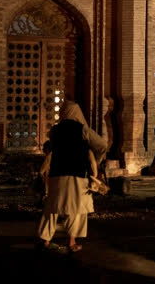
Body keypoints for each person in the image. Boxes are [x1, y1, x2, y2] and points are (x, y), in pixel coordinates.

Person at [37, 100, 107, 252]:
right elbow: (102, 145)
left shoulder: (54, 131)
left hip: (56, 173)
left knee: (52, 207)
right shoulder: (83, 130)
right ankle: (71, 242)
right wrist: (96, 158)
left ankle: (45, 239)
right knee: (77, 209)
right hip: (78, 175)